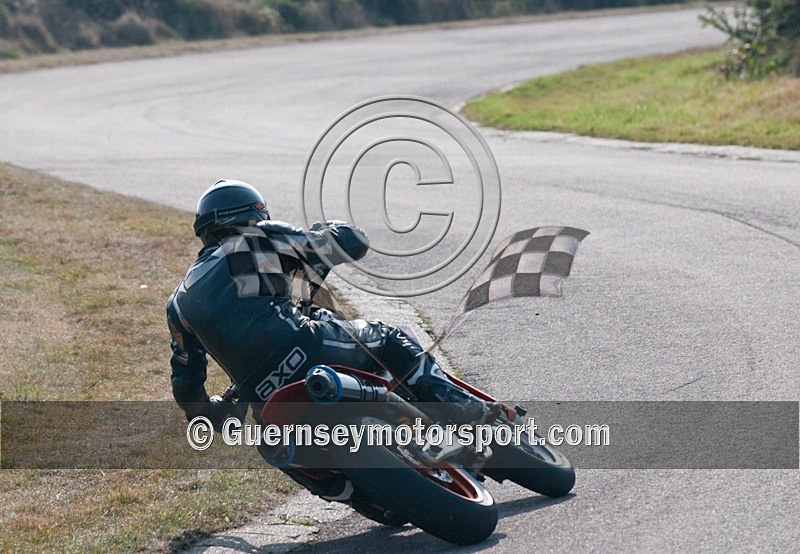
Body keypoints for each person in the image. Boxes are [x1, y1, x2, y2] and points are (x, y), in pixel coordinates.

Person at [166, 179, 493, 501]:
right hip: (308, 348)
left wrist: (206, 414)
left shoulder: (178, 302)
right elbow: (349, 243)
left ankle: (349, 495)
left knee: (272, 443)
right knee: (390, 337)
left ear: (205, 228)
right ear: (254, 215)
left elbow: (186, 380)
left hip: (262, 395)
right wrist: (335, 229)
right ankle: (462, 410)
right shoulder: (257, 240)